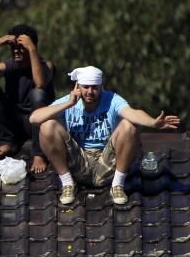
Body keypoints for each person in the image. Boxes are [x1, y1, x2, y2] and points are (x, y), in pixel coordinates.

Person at [30, 66, 181, 206]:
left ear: (101, 87)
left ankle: (117, 184)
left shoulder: (112, 100)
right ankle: (68, 183)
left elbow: (133, 113)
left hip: (106, 161)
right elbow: (34, 118)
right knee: (47, 126)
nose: (90, 91)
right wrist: (68, 104)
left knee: (129, 126)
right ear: (78, 87)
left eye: (94, 87)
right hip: (79, 161)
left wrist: (153, 123)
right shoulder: (69, 101)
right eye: (86, 87)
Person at [0, 24, 55, 174]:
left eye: (21, 47)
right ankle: (9, 141)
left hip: (37, 123)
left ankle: (39, 153)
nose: (16, 51)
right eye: (13, 48)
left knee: (37, 94)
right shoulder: (8, 66)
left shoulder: (46, 66)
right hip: (15, 122)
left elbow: (40, 83)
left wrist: (32, 49)